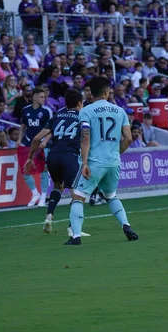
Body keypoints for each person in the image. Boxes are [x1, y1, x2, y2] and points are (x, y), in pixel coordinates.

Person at [67, 76, 138, 245]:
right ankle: (126, 225)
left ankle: (76, 236)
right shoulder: (120, 111)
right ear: (107, 91)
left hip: (94, 162)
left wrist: (84, 163)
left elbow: (85, 138)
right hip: (113, 162)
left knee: (78, 198)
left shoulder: (86, 111)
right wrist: (116, 153)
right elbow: (128, 138)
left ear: (91, 93)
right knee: (111, 196)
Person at [24, 89, 90, 237]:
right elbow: (85, 138)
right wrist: (85, 161)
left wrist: (29, 158)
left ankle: (49, 216)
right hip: (70, 156)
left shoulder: (57, 115)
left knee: (58, 186)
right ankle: (73, 229)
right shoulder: (83, 116)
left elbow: (36, 139)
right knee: (78, 194)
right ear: (80, 103)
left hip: (53, 155)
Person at [17, 87, 52, 207]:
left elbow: (51, 129)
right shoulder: (25, 110)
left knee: (43, 170)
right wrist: (19, 140)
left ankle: (43, 196)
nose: (44, 99)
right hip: (28, 144)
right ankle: (34, 193)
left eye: (44, 97)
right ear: (35, 97)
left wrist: (46, 141)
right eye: (41, 97)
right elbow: (22, 127)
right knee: (25, 170)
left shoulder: (47, 111)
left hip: (42, 145)